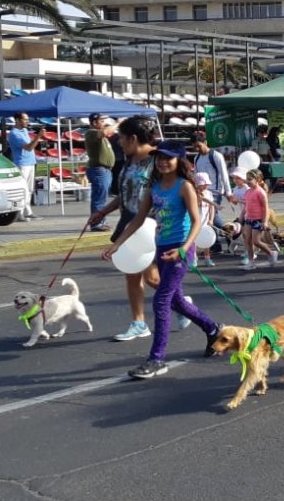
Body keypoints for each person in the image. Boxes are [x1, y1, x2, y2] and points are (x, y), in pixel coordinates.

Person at [103, 141, 221, 380]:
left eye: (168, 158)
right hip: (162, 249)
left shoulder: (184, 186)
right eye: (159, 158)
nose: (163, 162)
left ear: (179, 161)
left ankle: (157, 359)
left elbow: (197, 221)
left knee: (161, 300)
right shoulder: (155, 187)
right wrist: (117, 244)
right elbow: (137, 220)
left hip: (180, 251)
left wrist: (184, 249)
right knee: (176, 300)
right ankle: (213, 329)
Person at [90, 116, 159, 342]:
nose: (118, 142)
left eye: (121, 138)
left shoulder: (158, 160)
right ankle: (139, 322)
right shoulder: (129, 161)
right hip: (128, 223)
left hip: (151, 227)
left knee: (152, 279)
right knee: (131, 275)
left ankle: (181, 305)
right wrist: (102, 211)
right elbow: (126, 193)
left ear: (133, 138)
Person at [191, 131, 230, 231]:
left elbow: (224, 174)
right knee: (205, 217)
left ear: (205, 142)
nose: (197, 149)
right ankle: (217, 242)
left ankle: (232, 230)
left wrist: (228, 192)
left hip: (215, 192)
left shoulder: (215, 156)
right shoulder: (196, 158)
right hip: (202, 193)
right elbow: (196, 176)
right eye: (194, 147)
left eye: (199, 146)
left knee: (213, 217)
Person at [240, 169, 277, 270]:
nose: (247, 181)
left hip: (258, 219)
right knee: (247, 240)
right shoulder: (247, 192)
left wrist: (265, 221)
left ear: (258, 179)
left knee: (256, 241)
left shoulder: (261, 192)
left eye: (250, 179)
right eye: (246, 179)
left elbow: (266, 208)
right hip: (249, 219)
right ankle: (251, 262)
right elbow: (246, 205)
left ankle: (271, 252)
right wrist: (242, 215)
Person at [85, 113, 117, 232]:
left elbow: (107, 133)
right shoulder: (92, 133)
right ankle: (96, 223)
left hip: (104, 170)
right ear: (94, 123)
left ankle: (100, 221)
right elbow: (104, 132)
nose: (104, 123)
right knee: (99, 198)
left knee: (101, 197)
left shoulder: (99, 135)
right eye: (102, 121)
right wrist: (118, 123)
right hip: (99, 169)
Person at [8, 112, 41, 222]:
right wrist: (38, 136)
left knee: (30, 189)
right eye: (25, 119)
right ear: (17, 120)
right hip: (22, 164)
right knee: (22, 189)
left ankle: (28, 211)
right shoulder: (14, 134)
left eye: (27, 119)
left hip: (30, 162)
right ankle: (19, 213)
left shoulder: (25, 131)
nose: (27, 121)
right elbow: (29, 147)